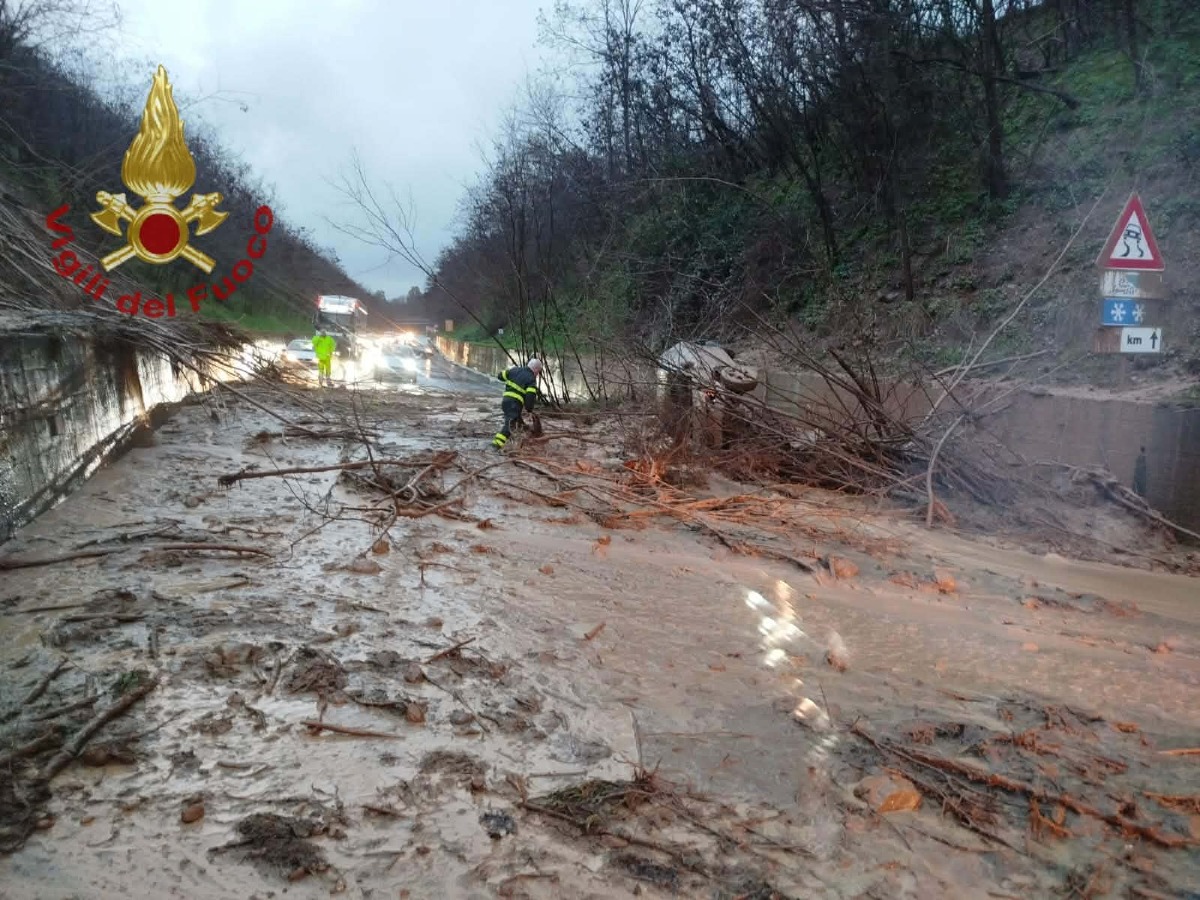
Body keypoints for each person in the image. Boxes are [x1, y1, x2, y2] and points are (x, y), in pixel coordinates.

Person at [492, 358, 542, 450]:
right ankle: (496, 444)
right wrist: (529, 409)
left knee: (518, 422)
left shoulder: (515, 370)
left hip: (505, 402)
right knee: (509, 425)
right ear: (535, 369)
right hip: (514, 404)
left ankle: (520, 438)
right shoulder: (531, 379)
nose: (537, 375)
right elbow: (530, 397)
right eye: (538, 372)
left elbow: (500, 376)